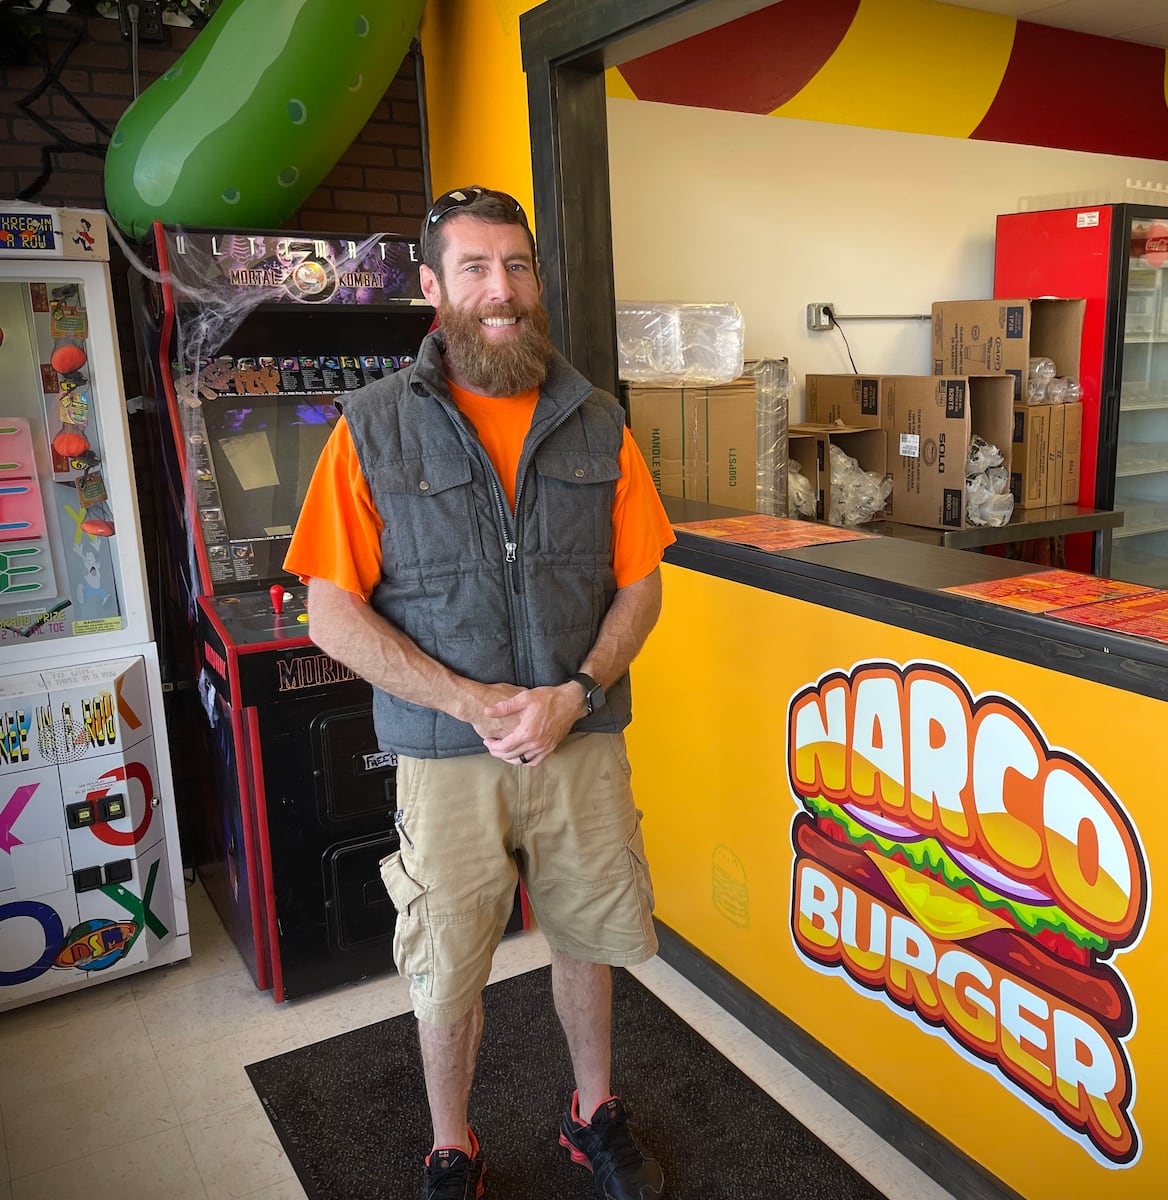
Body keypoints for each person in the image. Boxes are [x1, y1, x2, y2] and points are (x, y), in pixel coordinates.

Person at [284, 185, 674, 1200]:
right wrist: (472, 703)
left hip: (577, 738)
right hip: (448, 755)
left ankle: (592, 1113)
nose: (500, 290)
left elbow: (641, 582)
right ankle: (450, 1144)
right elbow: (333, 614)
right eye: (474, 267)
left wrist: (576, 693)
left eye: (515, 266)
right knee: (447, 960)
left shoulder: (596, 420)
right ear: (432, 287)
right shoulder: (370, 427)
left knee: (587, 933)